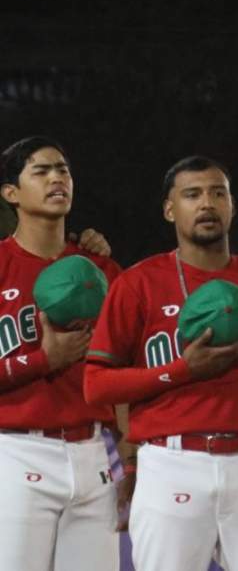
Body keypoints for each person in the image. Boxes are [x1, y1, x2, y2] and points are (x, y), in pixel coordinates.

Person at [84, 155, 238, 570]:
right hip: (170, 463)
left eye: (219, 193)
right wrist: (179, 370)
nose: (207, 204)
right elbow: (98, 386)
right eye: (192, 194)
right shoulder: (137, 284)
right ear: (169, 209)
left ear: (233, 205)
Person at [0, 136, 124, 571]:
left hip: (94, 452)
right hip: (16, 451)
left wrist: (131, 453)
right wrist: (42, 360)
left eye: (63, 170)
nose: (57, 178)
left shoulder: (102, 270)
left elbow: (124, 372)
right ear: (10, 192)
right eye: (41, 170)